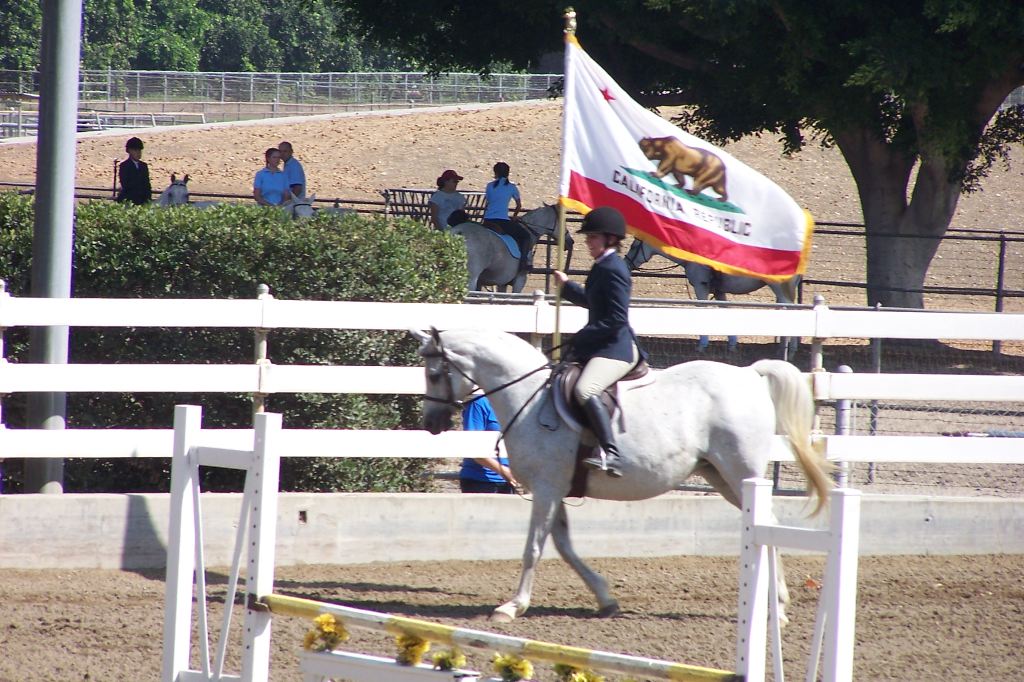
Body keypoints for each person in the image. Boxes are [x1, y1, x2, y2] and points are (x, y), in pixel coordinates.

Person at [552, 206, 646, 478]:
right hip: (601, 344)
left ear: (610, 238)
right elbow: (593, 303)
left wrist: (581, 337)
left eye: (592, 237)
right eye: (588, 237)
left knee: (585, 390)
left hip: (615, 348)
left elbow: (616, 319)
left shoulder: (614, 269)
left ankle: (611, 453)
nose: (587, 242)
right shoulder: (602, 265)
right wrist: (567, 286)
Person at [458, 395, 517, 494]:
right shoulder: (478, 403)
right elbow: (473, 447)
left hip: (509, 480)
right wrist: (503, 471)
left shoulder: (514, 405)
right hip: (479, 480)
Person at [482, 162, 532, 271]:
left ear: (495, 173)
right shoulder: (512, 187)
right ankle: (523, 262)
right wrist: (514, 216)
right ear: (508, 173)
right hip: (502, 221)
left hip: (488, 220)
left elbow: (489, 202)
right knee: (525, 236)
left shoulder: (489, 186)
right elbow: (518, 205)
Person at [115, 136, 152, 205]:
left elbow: (147, 184)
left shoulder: (144, 166)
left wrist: (147, 198)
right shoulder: (124, 165)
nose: (138, 153)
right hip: (129, 199)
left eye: (139, 150)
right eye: (135, 150)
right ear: (129, 151)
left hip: (143, 200)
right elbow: (126, 184)